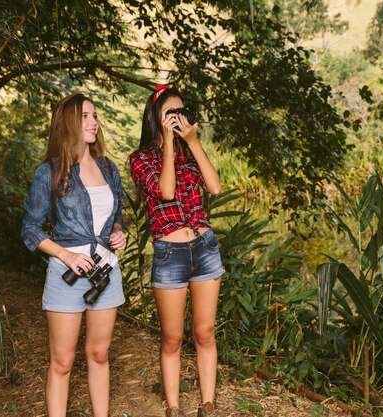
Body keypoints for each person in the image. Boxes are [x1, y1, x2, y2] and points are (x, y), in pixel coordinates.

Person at [21, 93, 126, 417]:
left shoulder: (108, 168)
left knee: (98, 355)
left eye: (94, 116)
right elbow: (30, 229)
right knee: (63, 362)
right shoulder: (49, 172)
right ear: (67, 122)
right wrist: (66, 256)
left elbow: (117, 212)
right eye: (85, 116)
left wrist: (119, 231)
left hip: (105, 272)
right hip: (66, 277)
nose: (94, 122)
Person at [129, 85, 223, 417]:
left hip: (205, 248)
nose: (178, 118)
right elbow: (166, 191)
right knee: (172, 337)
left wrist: (193, 142)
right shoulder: (140, 160)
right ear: (155, 118)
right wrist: (168, 145)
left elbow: (214, 186)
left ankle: (208, 405)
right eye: (172, 113)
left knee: (205, 331)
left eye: (182, 112)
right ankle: (173, 408)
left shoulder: (190, 152)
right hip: (170, 253)